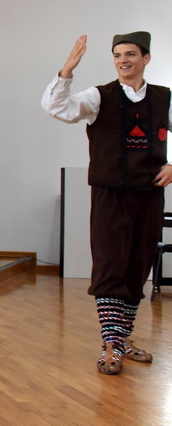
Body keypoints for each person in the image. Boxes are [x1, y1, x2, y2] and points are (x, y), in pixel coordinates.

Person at [42, 31, 172, 375]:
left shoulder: (163, 97)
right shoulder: (99, 97)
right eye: (117, 55)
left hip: (149, 194)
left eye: (130, 54)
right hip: (110, 193)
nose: (122, 60)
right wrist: (67, 70)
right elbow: (57, 107)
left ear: (146, 58)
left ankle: (123, 338)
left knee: (137, 267)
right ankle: (111, 343)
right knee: (111, 264)